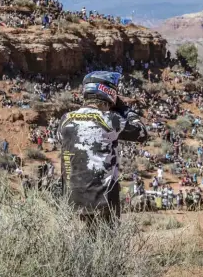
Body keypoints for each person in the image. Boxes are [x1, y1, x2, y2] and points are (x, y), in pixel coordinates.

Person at [58, 71, 148, 227]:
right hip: (103, 198)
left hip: (70, 197)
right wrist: (125, 109)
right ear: (109, 92)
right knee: (107, 244)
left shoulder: (65, 119)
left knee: (76, 245)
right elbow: (142, 133)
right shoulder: (110, 119)